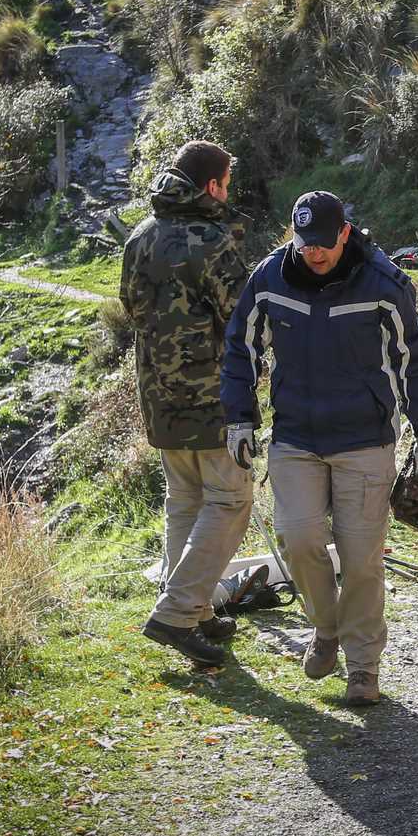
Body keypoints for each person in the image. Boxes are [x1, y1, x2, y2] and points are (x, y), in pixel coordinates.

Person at [221, 191, 418, 707]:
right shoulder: (271, 279)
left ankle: (363, 668)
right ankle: (325, 629)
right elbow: (241, 347)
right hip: (296, 436)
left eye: (323, 242)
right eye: (304, 242)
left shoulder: (384, 285)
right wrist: (238, 418)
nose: (313, 253)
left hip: (365, 439)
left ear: (344, 232)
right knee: (297, 540)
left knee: (362, 559)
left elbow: (414, 360)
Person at [121, 140, 255, 668]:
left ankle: (194, 610)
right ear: (213, 186)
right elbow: (242, 317)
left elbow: (131, 309)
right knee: (230, 499)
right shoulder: (213, 239)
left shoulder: (139, 236)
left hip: (157, 394)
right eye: (226, 181)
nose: (229, 190)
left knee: (185, 501)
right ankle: (177, 613)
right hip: (212, 396)